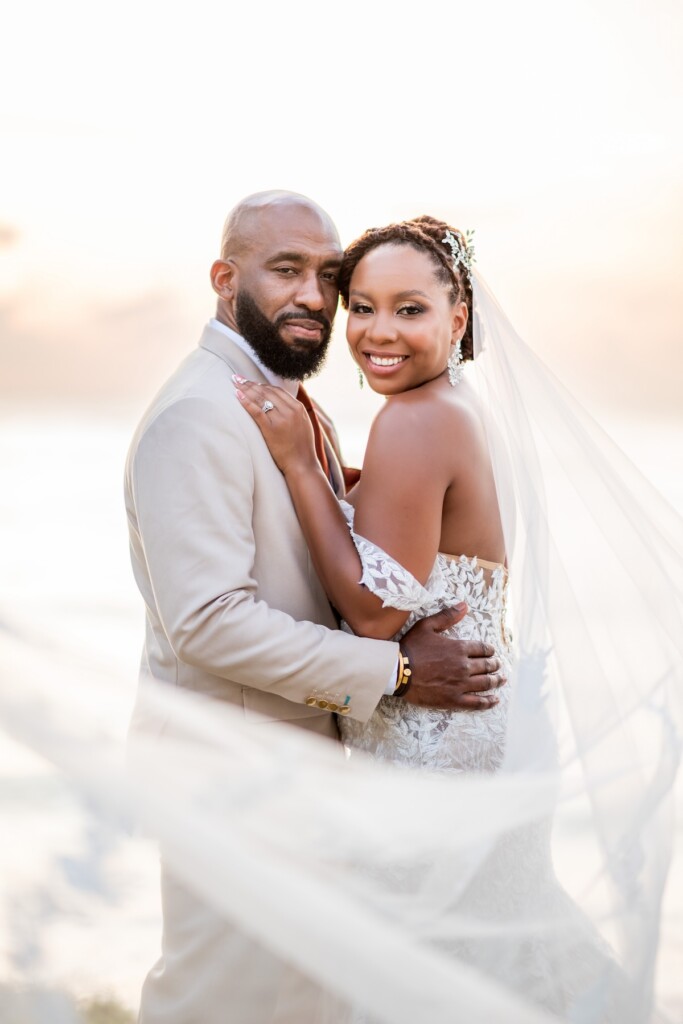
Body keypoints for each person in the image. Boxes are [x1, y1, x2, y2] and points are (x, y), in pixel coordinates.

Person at [235, 215, 682, 1020]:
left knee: (433, 970)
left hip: (431, 747)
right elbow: (417, 549)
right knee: (489, 952)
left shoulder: (414, 419)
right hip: (475, 732)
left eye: (409, 309)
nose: (377, 332)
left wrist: (301, 467)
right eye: (361, 307)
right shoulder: (455, 407)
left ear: (457, 318)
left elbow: (373, 617)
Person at [123, 192, 507, 1024]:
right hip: (227, 779)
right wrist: (398, 669)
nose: (313, 297)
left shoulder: (282, 398)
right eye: (285, 270)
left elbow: (332, 542)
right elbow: (209, 623)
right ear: (226, 279)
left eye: (327, 276)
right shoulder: (199, 415)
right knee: (217, 1003)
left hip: (298, 784)